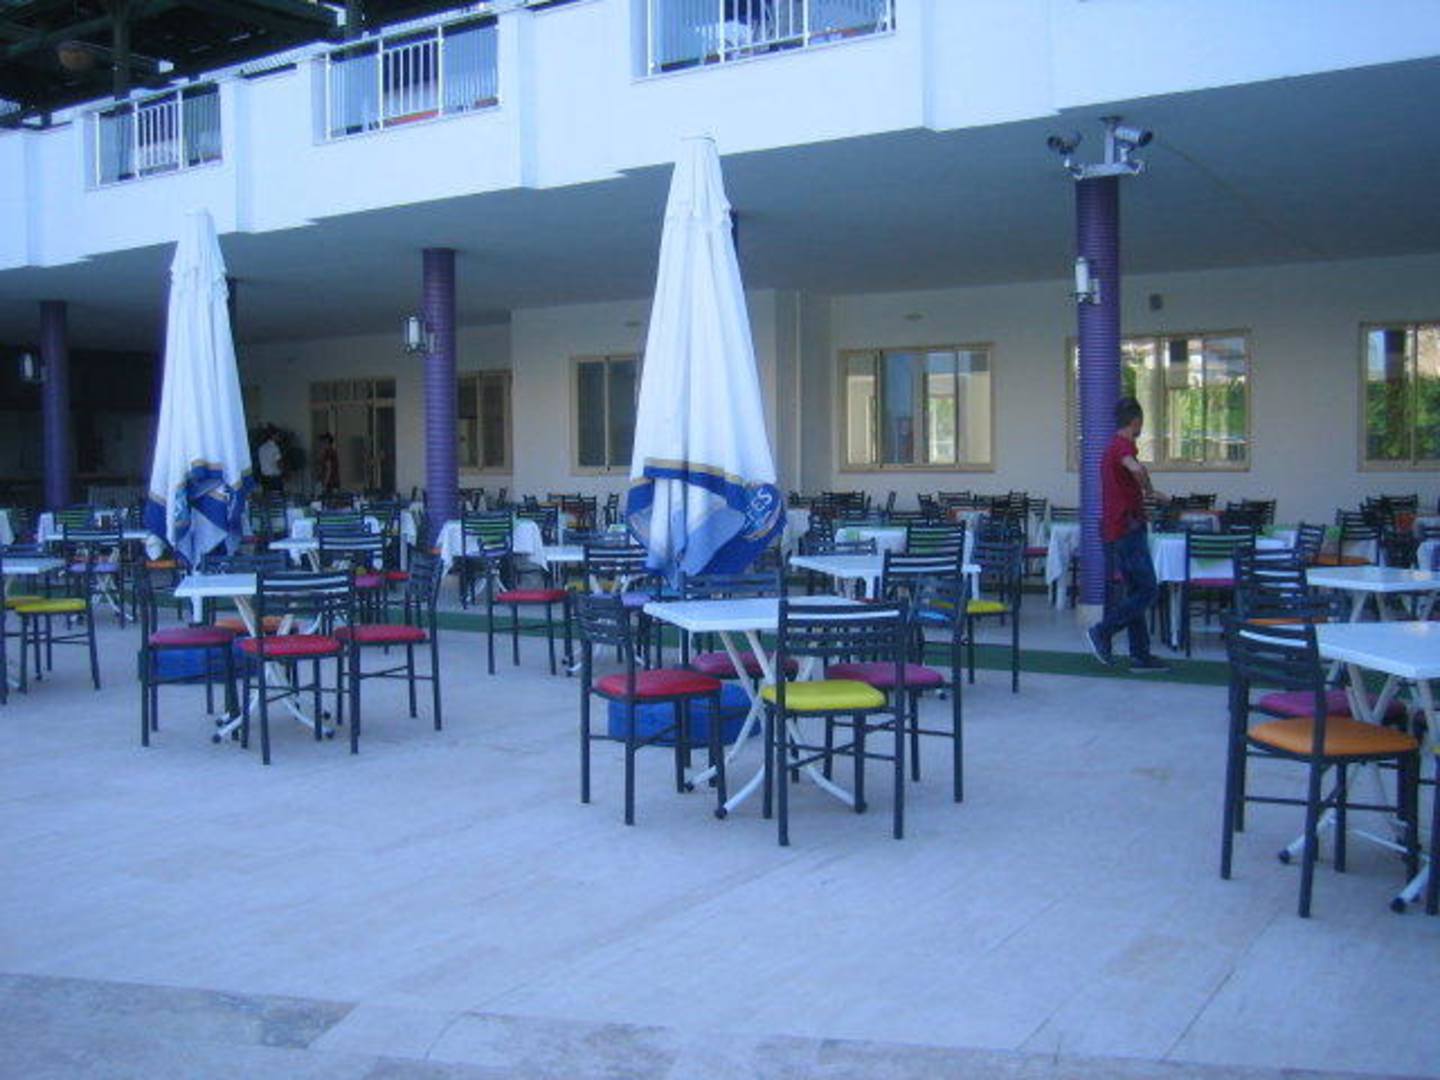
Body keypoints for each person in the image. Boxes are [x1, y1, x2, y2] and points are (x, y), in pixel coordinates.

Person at [1086, 397, 1171, 673]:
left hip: (1119, 528)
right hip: (1127, 529)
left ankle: (1140, 655)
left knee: (1136, 591)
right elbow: (1135, 468)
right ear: (1135, 422)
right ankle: (1102, 630)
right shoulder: (1121, 447)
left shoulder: (1112, 448)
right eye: (1141, 423)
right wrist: (1150, 491)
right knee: (1148, 590)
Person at [256, 425, 284, 494]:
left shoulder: (261, 448)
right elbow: (279, 463)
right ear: (273, 436)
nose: (279, 437)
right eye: (278, 435)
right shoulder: (275, 448)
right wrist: (284, 472)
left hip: (264, 478)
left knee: (267, 496)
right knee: (277, 496)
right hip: (274, 478)